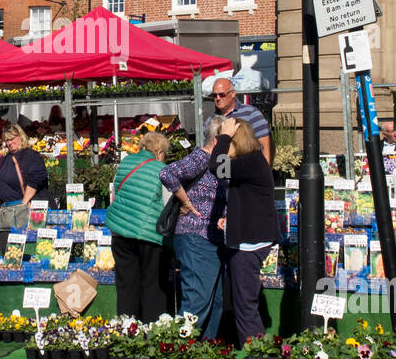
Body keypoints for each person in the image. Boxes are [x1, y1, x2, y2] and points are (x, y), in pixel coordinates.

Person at [211, 118, 280, 346]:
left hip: (250, 244)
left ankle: (255, 353)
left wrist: (224, 136)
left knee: (245, 305)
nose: (220, 144)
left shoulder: (250, 161)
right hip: (246, 238)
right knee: (241, 302)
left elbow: (216, 167)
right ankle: (252, 349)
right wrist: (230, 220)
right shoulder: (250, 163)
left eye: (227, 140)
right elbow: (249, 200)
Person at [160, 115, 227, 336]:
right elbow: (167, 173)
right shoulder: (202, 157)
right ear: (217, 140)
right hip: (195, 236)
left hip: (210, 238)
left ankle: (205, 353)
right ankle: (176, 349)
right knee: (196, 303)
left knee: (214, 302)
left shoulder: (219, 162)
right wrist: (185, 201)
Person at [106, 132, 172, 322]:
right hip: (148, 234)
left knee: (126, 285)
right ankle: (152, 329)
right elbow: (168, 205)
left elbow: (117, 190)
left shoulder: (125, 163)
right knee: (152, 284)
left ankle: (127, 329)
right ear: (159, 152)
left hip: (120, 232)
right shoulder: (162, 169)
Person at [209, 75, 273, 166]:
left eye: (222, 94)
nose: (218, 98)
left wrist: (266, 174)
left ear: (233, 93)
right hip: (221, 171)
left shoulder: (251, 113)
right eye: (214, 95)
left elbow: (265, 145)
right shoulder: (211, 120)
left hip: (248, 169)